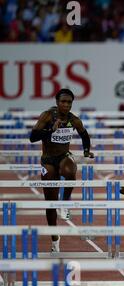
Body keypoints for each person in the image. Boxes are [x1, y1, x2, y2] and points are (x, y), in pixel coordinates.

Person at [29, 88, 94, 253]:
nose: (66, 105)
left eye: (69, 102)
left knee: (70, 171)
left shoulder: (74, 120)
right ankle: (55, 240)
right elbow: (32, 137)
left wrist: (86, 151)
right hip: (48, 160)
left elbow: (84, 135)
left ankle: (65, 203)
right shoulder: (48, 116)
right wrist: (51, 130)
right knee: (50, 204)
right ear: (57, 102)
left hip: (64, 155)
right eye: (63, 102)